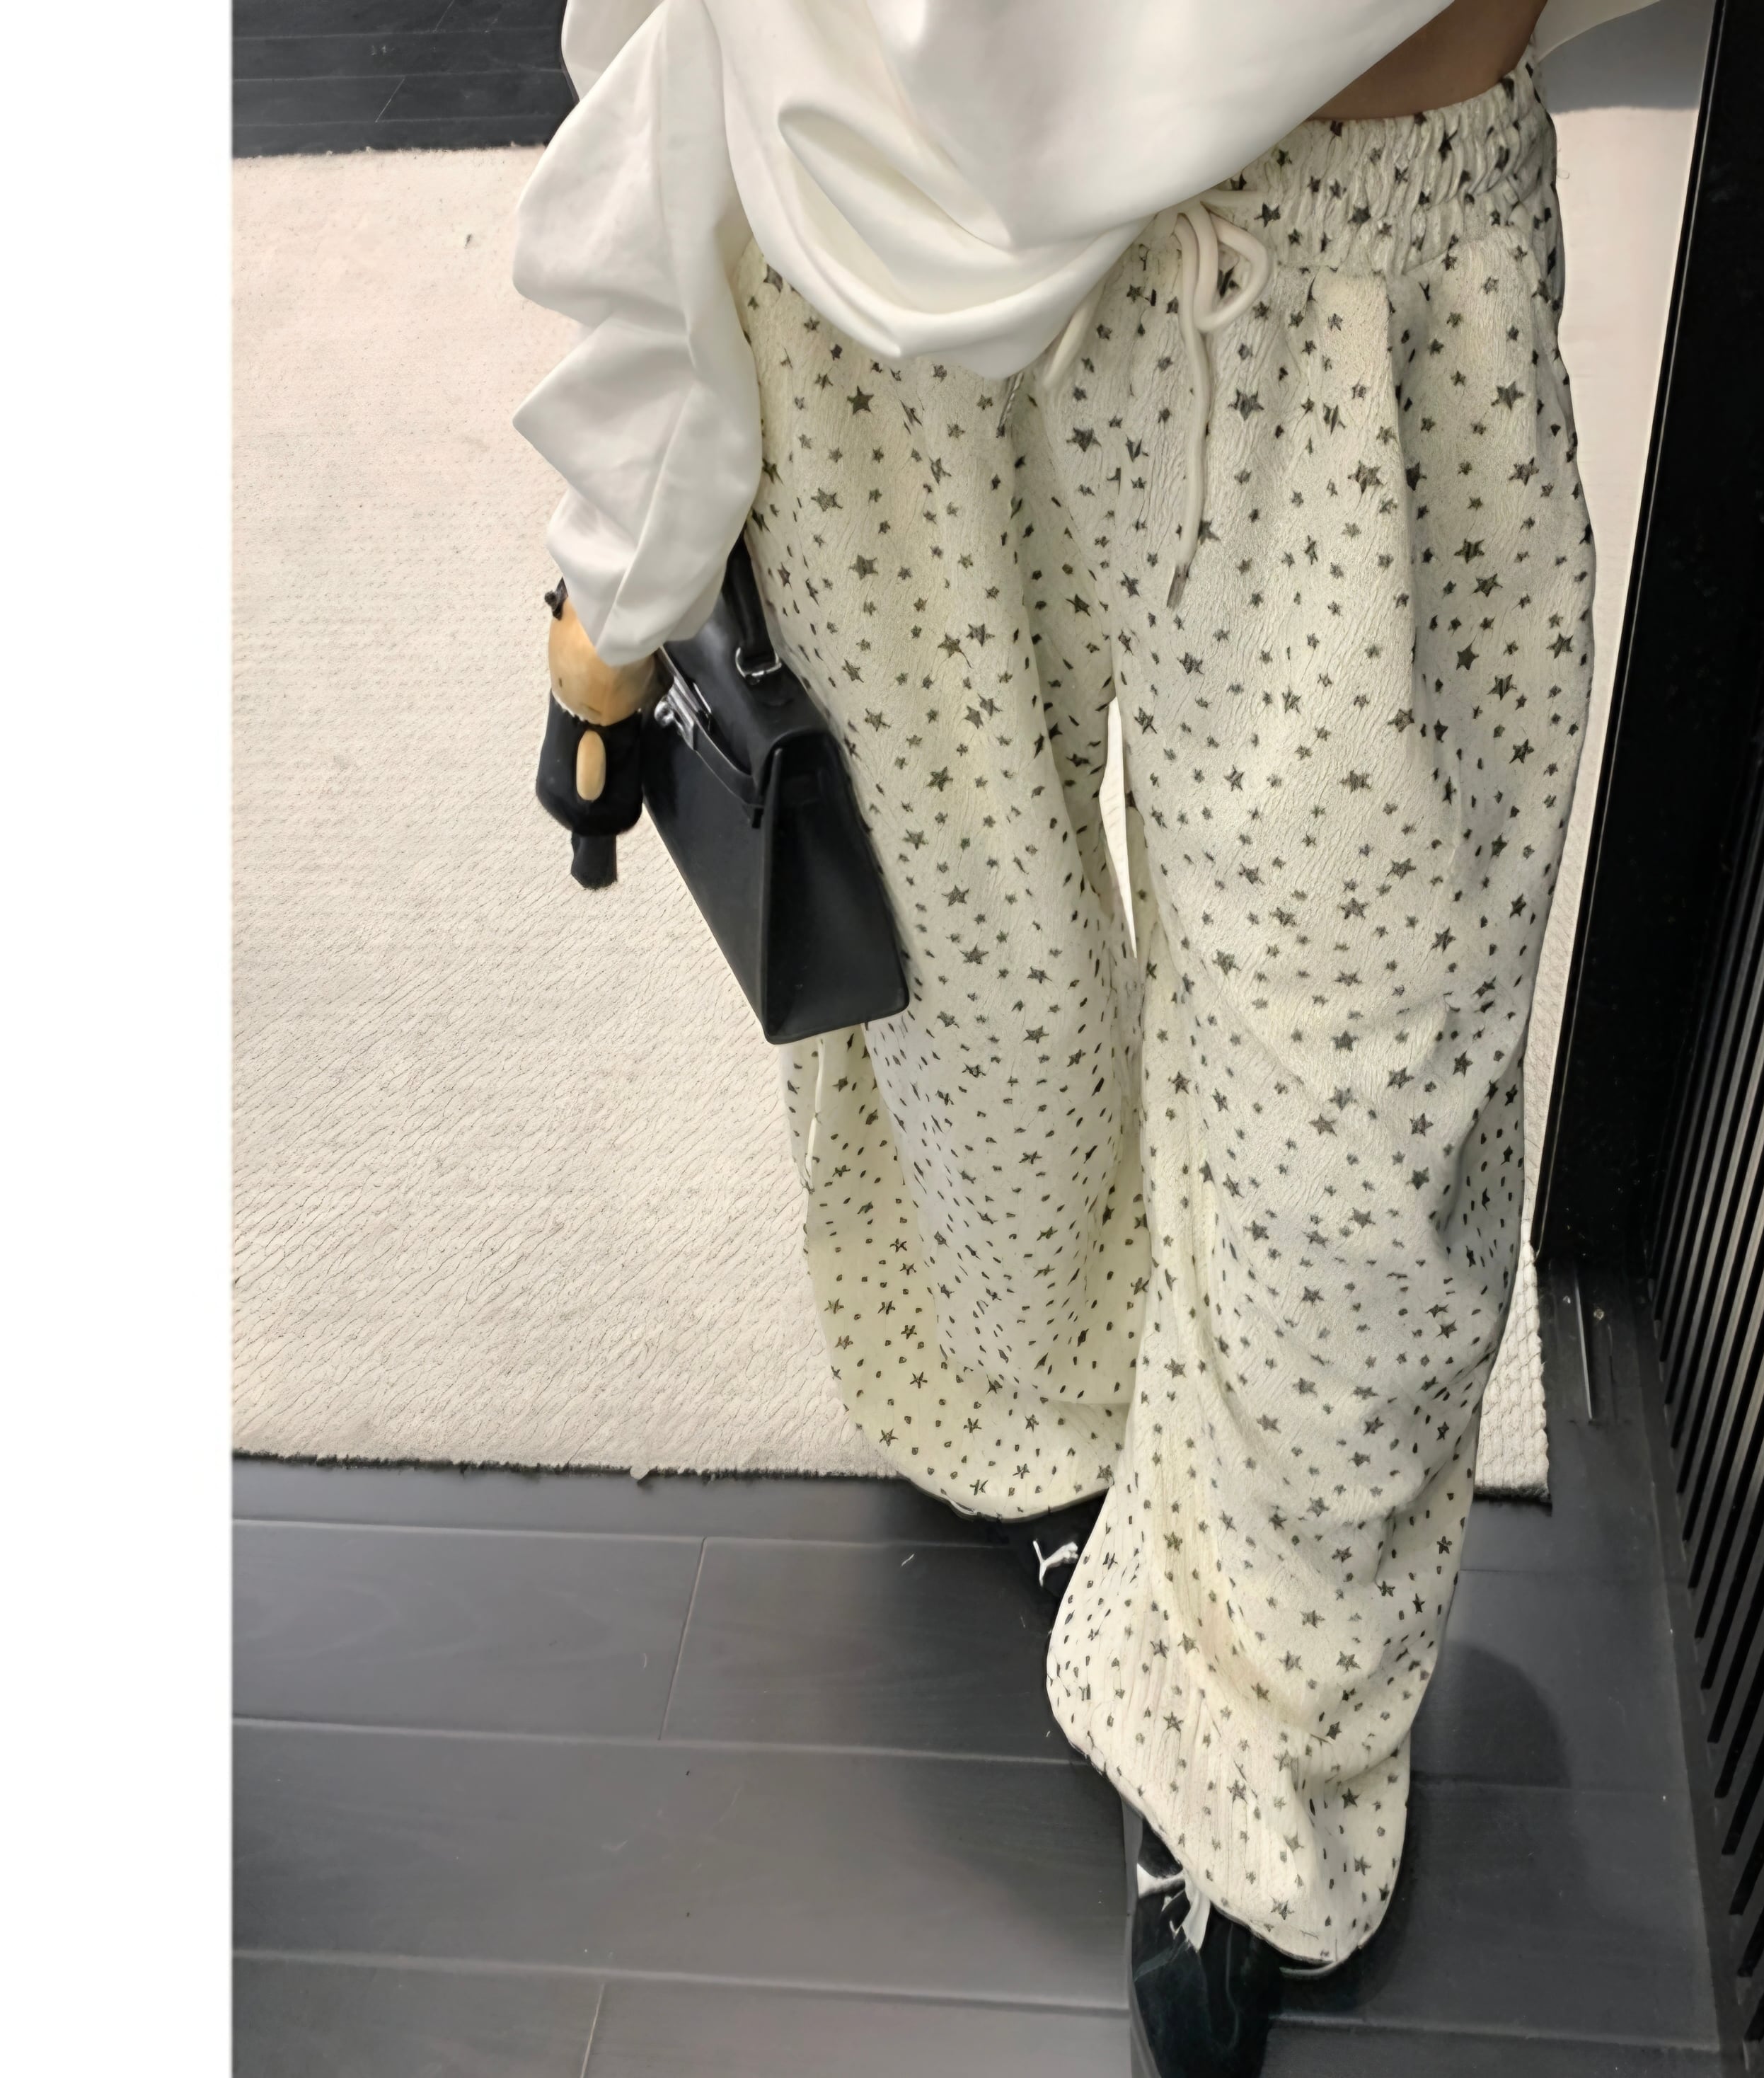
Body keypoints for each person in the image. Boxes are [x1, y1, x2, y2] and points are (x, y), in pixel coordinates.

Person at [515, 4, 1654, 2072]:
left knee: (1359, 1130)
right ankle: (1053, 1417)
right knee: (975, 983)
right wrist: (625, 533)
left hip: (1352, 199)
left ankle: (1256, 1724)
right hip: (861, 186)